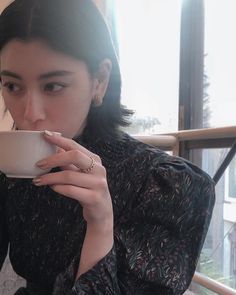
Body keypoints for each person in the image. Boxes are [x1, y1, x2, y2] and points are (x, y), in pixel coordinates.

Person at [0, 0, 215, 294]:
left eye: (53, 86)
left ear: (99, 80)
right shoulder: (14, 173)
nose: (30, 113)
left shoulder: (170, 186)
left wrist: (100, 224)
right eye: (13, 86)